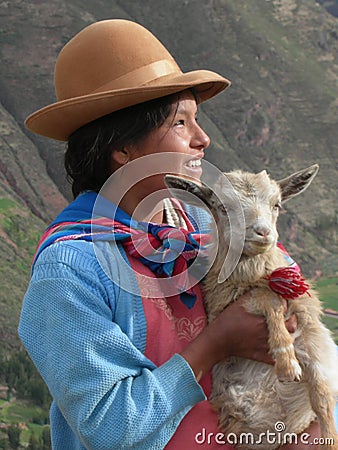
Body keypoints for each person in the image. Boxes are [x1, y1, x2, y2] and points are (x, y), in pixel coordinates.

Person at [19, 19, 322, 449]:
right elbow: (110, 428)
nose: (204, 139)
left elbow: (292, 307)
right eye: (181, 123)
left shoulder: (205, 225)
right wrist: (214, 345)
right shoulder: (70, 272)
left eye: (197, 120)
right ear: (123, 149)